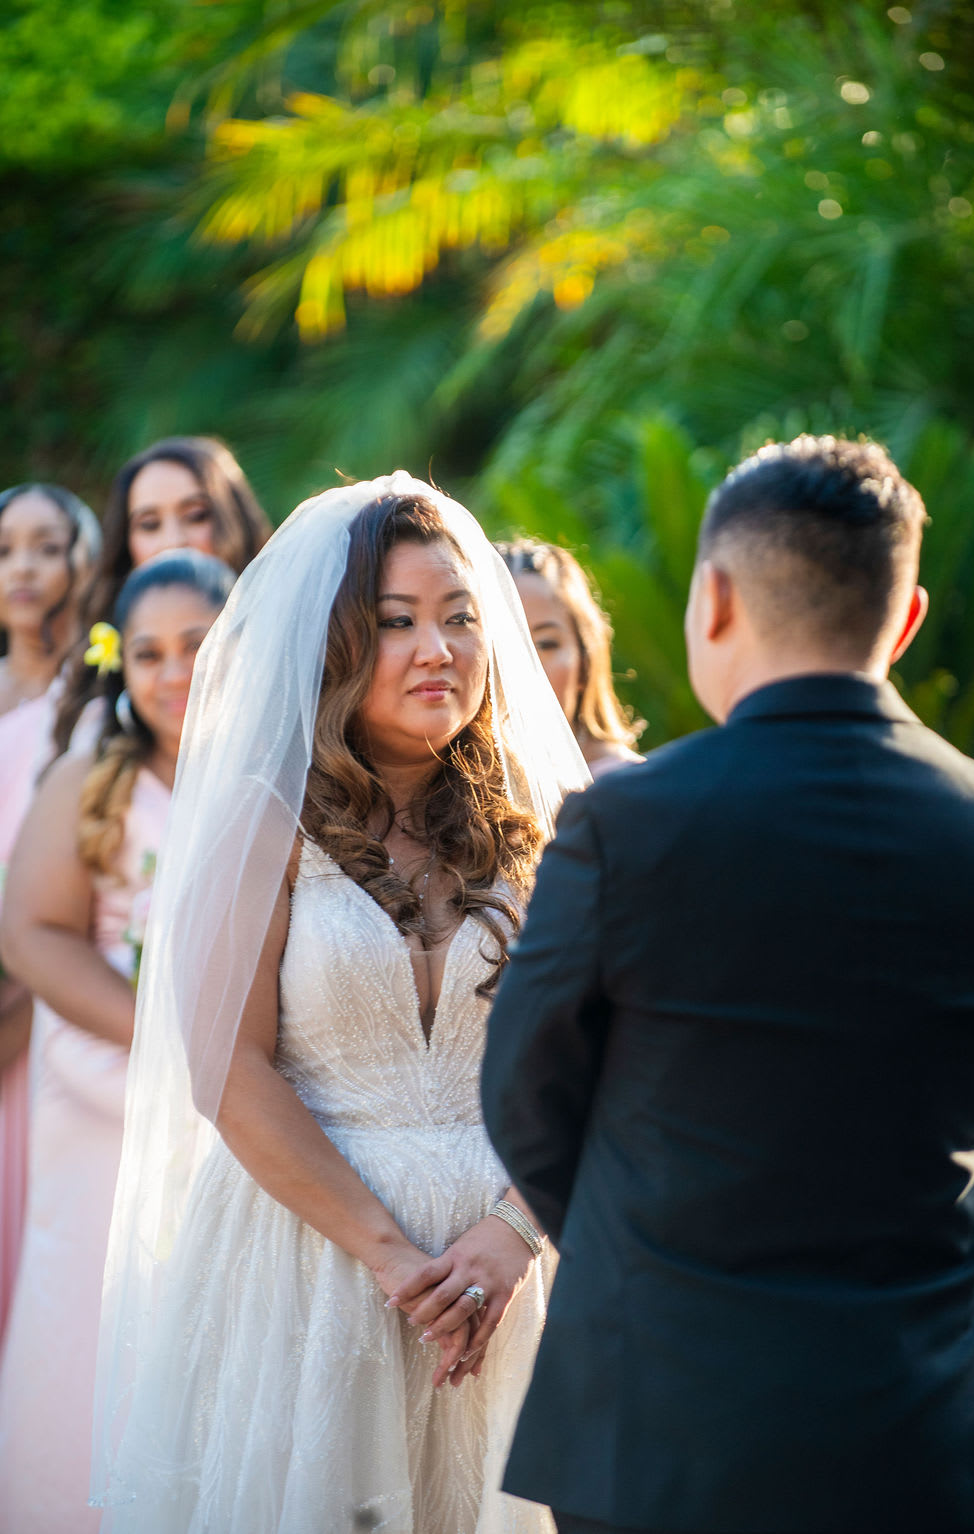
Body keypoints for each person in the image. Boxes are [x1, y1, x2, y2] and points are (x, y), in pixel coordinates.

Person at [481, 434, 974, 1534]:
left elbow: (523, 1088)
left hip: (665, 1413)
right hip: (916, 1419)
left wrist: (638, 1251)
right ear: (907, 618)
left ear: (713, 599)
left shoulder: (627, 821)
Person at [89, 475, 589, 1532]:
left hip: (508, 1268)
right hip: (311, 1266)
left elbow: (603, 1054)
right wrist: (395, 1260)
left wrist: (512, 1232)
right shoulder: (263, 823)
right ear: (335, 644)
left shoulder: (540, 830)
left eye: (460, 617)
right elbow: (226, 1066)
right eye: (398, 621)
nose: (438, 648)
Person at [0, 549, 236, 1534]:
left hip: (238, 1107)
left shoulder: (287, 768)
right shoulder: (92, 771)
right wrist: (166, 1039)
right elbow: (30, 933)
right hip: (103, 1091)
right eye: (149, 654)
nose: (174, 671)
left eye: (198, 645)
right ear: (121, 666)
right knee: (91, 1317)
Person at [0, 481, 100, 1342]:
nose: (22, 567)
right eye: (4, 550)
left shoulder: (94, 698)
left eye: (43, 545)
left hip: (53, 1004)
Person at [53, 435, 271, 754]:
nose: (173, 540)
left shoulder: (294, 644)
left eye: (197, 516)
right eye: (150, 524)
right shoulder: (92, 685)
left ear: (235, 523)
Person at [496, 541, 643, 778]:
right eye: (501, 643)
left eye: (545, 644)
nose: (523, 664)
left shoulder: (631, 788)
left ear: (585, 663)